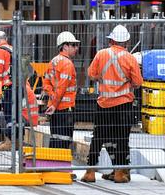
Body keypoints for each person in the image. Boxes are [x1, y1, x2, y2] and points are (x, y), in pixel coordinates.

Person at [82, 25, 143, 184]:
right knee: (122, 138)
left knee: (98, 137)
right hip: (123, 105)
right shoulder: (130, 58)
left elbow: (91, 74)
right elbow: (138, 82)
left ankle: (90, 172)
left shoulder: (101, 54)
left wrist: (103, 79)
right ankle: (119, 173)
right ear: (127, 41)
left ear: (111, 40)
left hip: (103, 104)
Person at [43, 31, 79, 149]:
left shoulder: (53, 61)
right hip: (65, 108)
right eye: (73, 45)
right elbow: (62, 88)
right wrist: (55, 102)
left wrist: (52, 99)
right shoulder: (67, 64)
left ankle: (54, 166)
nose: (76, 48)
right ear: (65, 46)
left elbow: (46, 83)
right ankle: (62, 166)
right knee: (64, 140)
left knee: (55, 138)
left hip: (54, 108)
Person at [0, 30, 13, 152]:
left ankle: (9, 142)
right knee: (14, 113)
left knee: (7, 113)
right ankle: (11, 140)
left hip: (7, 85)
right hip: (17, 85)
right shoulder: (12, 48)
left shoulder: (0, 51)